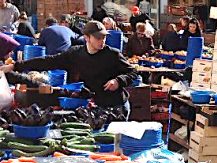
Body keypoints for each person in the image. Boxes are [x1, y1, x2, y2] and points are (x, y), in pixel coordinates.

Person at [0, 21, 137, 110]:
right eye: (98, 38)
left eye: (104, 37)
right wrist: (15, 66)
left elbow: (132, 72)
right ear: (87, 38)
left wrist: (118, 81)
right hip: (97, 104)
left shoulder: (113, 54)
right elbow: (48, 61)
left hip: (118, 105)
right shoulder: (76, 53)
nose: (102, 41)